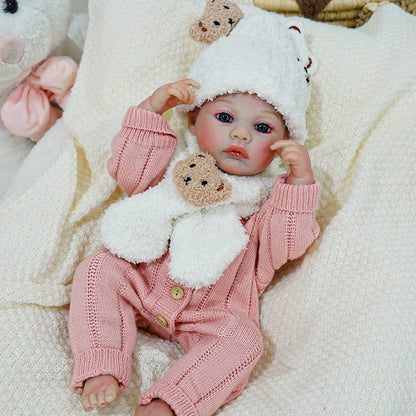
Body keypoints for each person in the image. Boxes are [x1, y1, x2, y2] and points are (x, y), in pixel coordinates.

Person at [68, 13, 320, 416]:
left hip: (212, 312)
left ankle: (171, 402)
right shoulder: (171, 163)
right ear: (192, 119)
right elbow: (129, 172)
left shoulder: (266, 198)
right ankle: (101, 362)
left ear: (283, 142)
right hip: (141, 279)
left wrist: (301, 182)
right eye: (225, 118)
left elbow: (285, 245)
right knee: (98, 269)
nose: (241, 134)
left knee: (243, 342)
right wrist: (151, 112)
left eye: (263, 128)